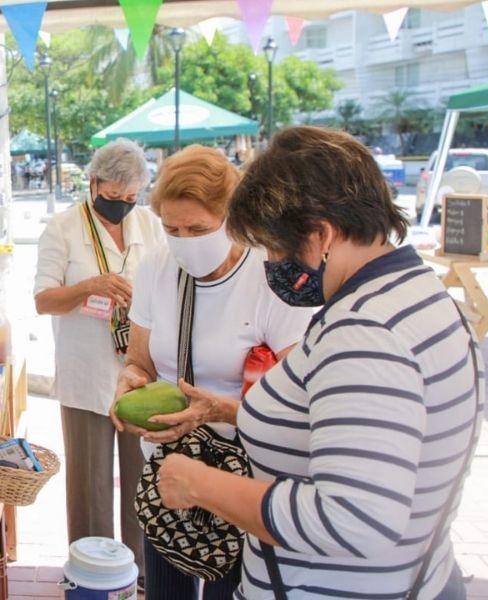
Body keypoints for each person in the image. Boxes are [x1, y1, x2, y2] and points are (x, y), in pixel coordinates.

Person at [151, 127, 482, 599]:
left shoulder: (365, 333)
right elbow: (355, 430)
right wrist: (227, 412)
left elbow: (351, 518)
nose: (270, 262)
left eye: (274, 246)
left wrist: (200, 484)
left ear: (322, 235)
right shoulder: (419, 295)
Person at [109, 146, 312, 600]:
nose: (183, 240)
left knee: (230, 592)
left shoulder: (269, 277)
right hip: (169, 469)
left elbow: (301, 400)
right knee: (166, 592)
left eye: (198, 229)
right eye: (171, 228)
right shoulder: (158, 268)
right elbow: (139, 362)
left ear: (234, 218)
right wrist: (131, 382)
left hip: (240, 475)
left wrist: (217, 410)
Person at [34, 139, 164, 583]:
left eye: (131, 199)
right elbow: (44, 300)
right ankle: (91, 572)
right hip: (85, 371)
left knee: (140, 479)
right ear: (92, 184)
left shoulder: (150, 225)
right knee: (89, 488)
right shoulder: (63, 228)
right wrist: (90, 286)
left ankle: (140, 573)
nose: (123, 207)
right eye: (113, 197)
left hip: (141, 370)